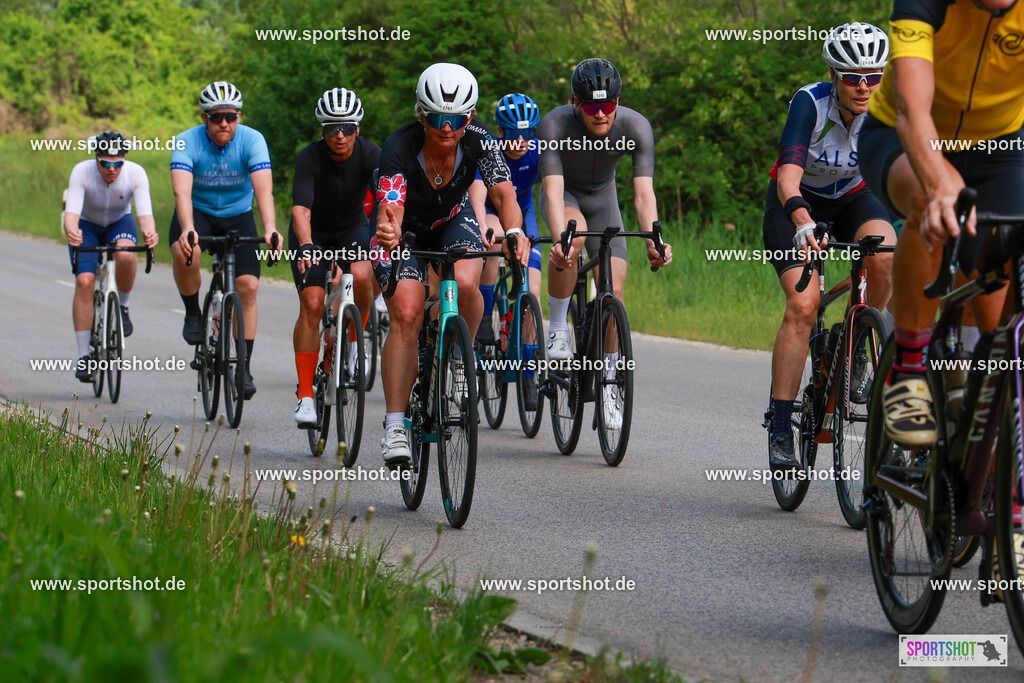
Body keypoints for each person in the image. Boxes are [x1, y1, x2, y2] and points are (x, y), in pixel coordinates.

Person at [859, 0, 1024, 447]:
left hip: (997, 147)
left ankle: (991, 457)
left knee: (1002, 312)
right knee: (930, 206)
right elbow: (913, 110)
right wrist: (938, 184)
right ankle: (907, 370)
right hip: (901, 134)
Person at [373, 62, 531, 466]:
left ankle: (460, 357)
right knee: (407, 313)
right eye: (437, 118)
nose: (447, 128)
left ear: (471, 116)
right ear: (421, 114)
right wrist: (389, 230)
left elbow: (504, 194)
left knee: (466, 282)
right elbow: (391, 207)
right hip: (404, 231)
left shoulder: (480, 140)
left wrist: (514, 231)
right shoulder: (399, 145)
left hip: (452, 221)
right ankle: (395, 425)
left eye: (457, 119)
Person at [765, 23, 897, 470]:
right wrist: (802, 222)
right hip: (797, 203)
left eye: (873, 76)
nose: (864, 87)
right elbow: (787, 178)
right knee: (803, 306)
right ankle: (781, 426)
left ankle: (857, 344)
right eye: (853, 77)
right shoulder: (810, 103)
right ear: (833, 75)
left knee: (886, 256)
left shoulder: (890, 106)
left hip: (856, 199)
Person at [538, 58, 672, 428]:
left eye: (608, 105)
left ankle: (611, 385)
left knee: (615, 289)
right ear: (575, 103)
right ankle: (558, 328)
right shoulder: (554, 124)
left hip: (604, 199)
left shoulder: (635, 126)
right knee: (574, 236)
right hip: (566, 196)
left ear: (618, 101)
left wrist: (654, 240)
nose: (601, 114)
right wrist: (561, 240)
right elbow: (552, 192)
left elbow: (643, 195)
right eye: (591, 107)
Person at [169, 81, 281, 399]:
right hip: (198, 211)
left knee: (249, 287)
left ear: (239, 117)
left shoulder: (252, 140)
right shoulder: (185, 141)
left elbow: (264, 191)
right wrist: (188, 228)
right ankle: (193, 311)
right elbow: (181, 192)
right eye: (215, 117)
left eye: (229, 117)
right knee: (185, 251)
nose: (223, 123)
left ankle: (243, 367)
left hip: (237, 214)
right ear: (204, 118)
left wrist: (270, 228)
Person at [292, 88, 381, 426]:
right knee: (313, 304)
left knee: (362, 274)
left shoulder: (373, 155)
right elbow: (301, 209)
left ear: (357, 129)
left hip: (351, 229)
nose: (340, 135)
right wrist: (306, 244)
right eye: (332, 128)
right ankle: (305, 395)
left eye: (347, 127)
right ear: (323, 131)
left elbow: (386, 200)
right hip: (312, 233)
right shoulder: (309, 158)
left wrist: (384, 238)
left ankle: (356, 345)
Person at [64, 131, 159, 382]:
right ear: (97, 159)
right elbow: (72, 213)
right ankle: (84, 356)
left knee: (125, 255)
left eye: (117, 164)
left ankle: (123, 307)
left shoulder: (136, 173)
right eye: (106, 163)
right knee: (85, 281)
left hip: (119, 222)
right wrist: (72, 231)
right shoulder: (81, 171)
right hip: (88, 225)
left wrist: (150, 233)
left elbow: (145, 214)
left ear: (124, 160)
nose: (111, 169)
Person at [468, 93, 544, 344]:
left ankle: (529, 363)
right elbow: (478, 195)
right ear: (500, 131)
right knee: (494, 240)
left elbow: (556, 188)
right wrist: (481, 225)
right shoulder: (490, 150)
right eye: (513, 134)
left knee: (533, 292)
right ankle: (485, 317)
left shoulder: (538, 150)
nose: (521, 141)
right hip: (492, 210)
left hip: (524, 212)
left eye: (528, 134)